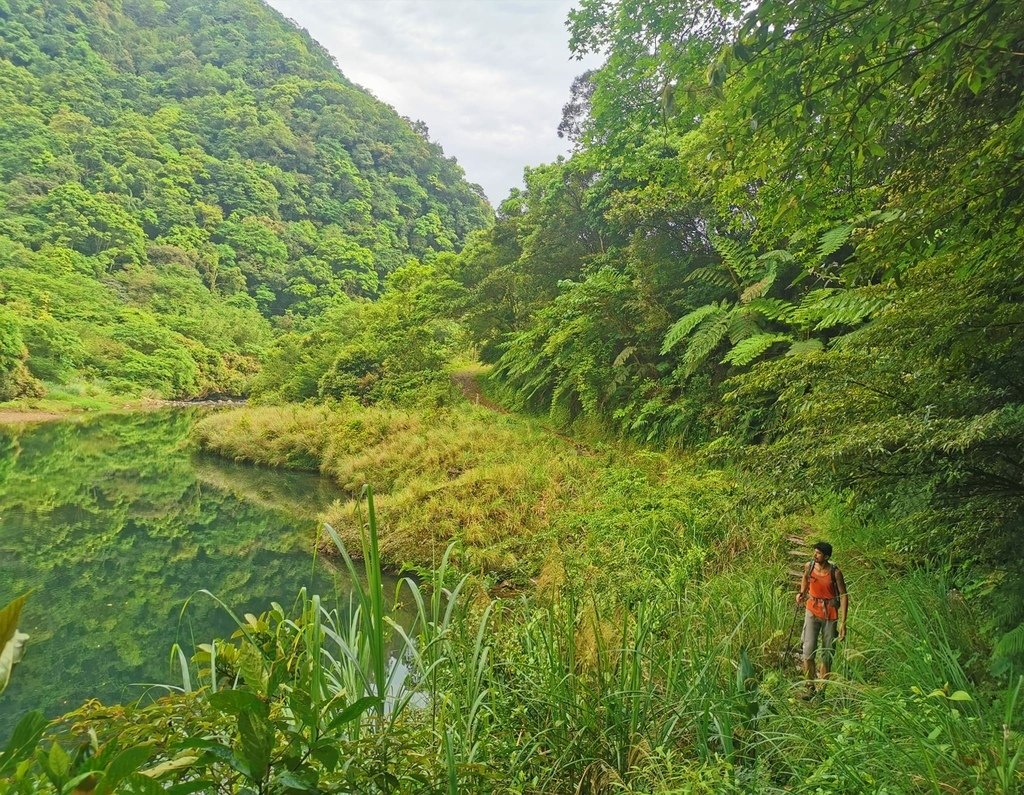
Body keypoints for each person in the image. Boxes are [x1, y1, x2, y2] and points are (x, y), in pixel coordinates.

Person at [796, 541, 848, 697]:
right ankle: (809, 687)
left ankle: (822, 691)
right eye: (815, 552)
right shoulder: (809, 566)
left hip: (830, 614)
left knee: (827, 653)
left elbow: (844, 596)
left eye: (818, 553)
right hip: (812, 609)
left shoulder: (835, 572)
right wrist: (802, 592)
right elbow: (805, 578)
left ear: (826, 556)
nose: (815, 555)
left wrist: (843, 624)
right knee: (808, 650)